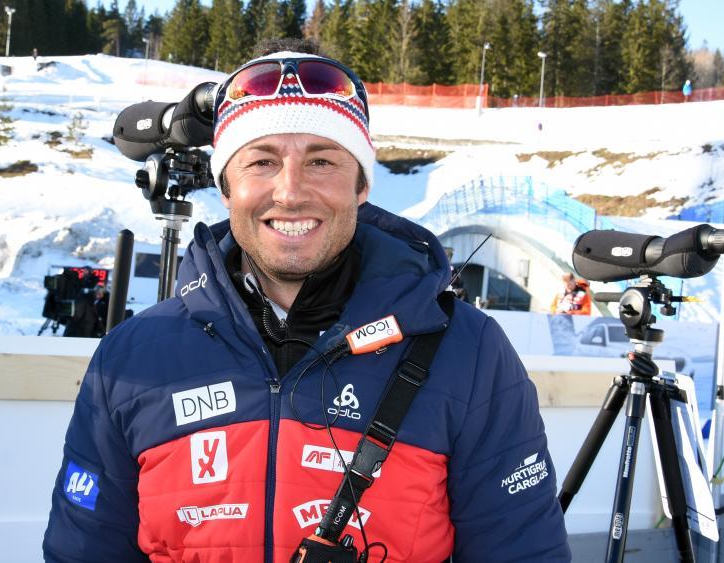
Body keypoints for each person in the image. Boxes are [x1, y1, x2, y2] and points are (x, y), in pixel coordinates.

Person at [43, 38, 570, 562]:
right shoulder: (130, 357)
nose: (291, 191)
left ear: (362, 184)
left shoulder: (469, 353)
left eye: (321, 161)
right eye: (262, 161)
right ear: (226, 187)